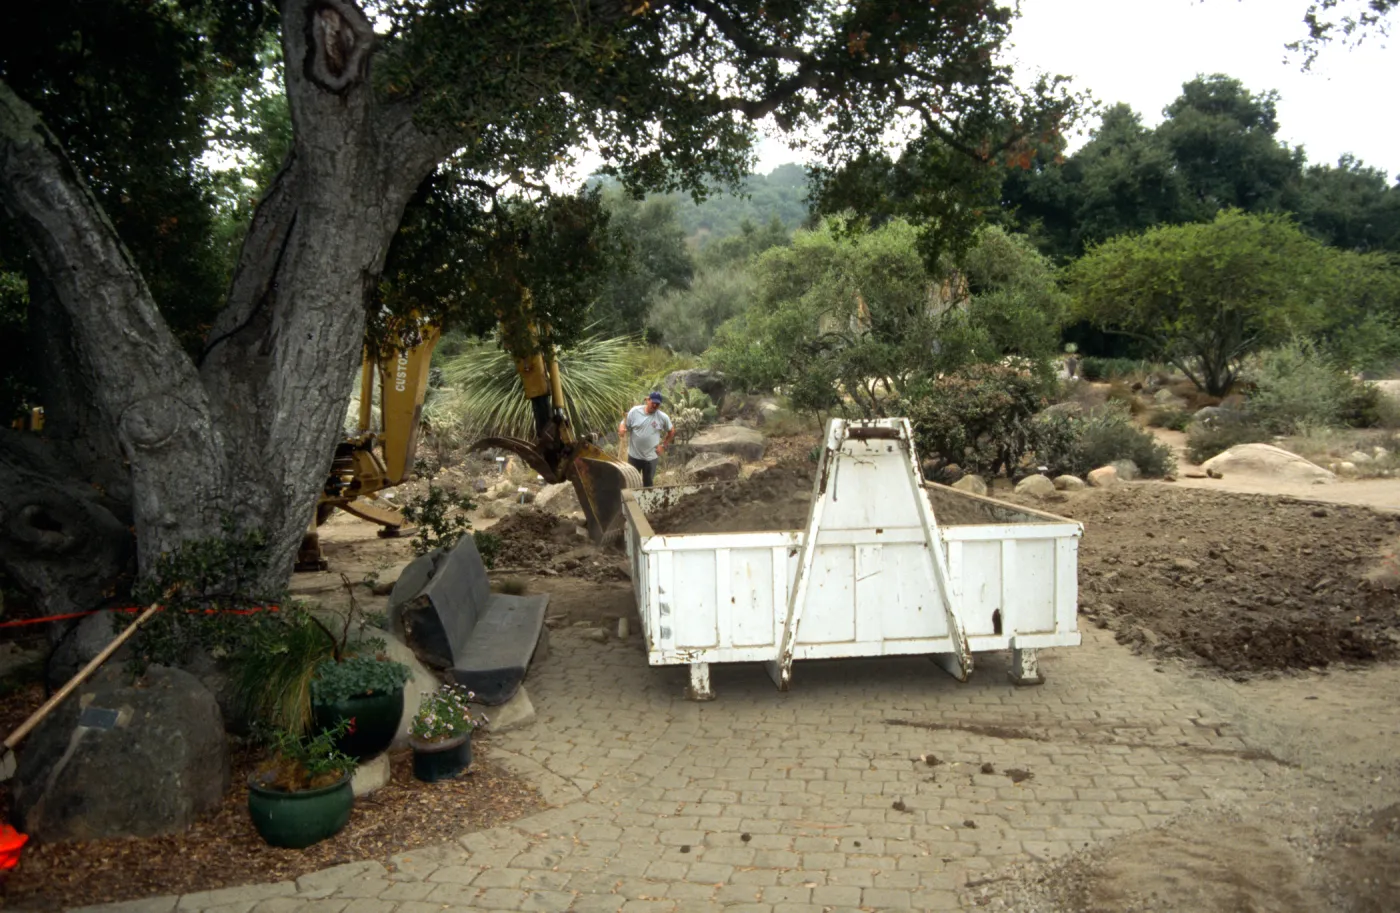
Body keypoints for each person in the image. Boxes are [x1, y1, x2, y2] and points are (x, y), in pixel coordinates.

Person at [618, 391, 675, 487]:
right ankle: (633, 501)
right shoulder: (635, 411)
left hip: (651, 458)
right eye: (653, 402)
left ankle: (646, 501)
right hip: (634, 456)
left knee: (648, 484)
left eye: (657, 404)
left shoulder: (662, 417)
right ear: (647, 400)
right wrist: (621, 428)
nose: (655, 405)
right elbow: (624, 423)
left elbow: (672, 431)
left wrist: (663, 446)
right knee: (631, 483)